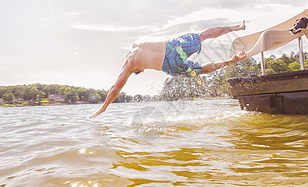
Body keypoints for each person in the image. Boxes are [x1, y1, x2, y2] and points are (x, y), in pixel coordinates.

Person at [90, 21, 247, 118]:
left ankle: (231, 60)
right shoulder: (136, 43)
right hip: (172, 46)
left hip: (168, 66)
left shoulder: (129, 65)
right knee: (202, 36)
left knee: (201, 70)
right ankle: (238, 27)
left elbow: (115, 88)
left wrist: (103, 108)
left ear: (139, 70)